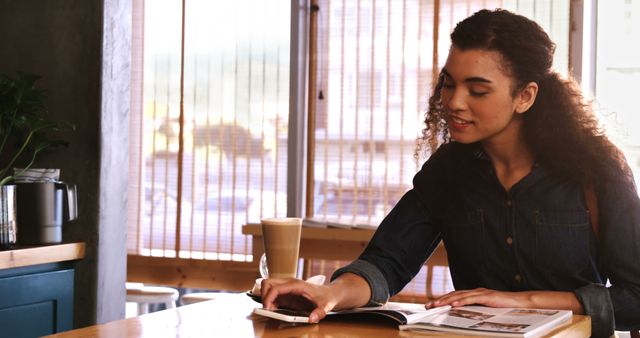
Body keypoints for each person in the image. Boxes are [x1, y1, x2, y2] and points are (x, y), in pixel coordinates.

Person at [260, 8, 640, 337]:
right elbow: (386, 261)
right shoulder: (448, 172)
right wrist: (331, 294)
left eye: (478, 90)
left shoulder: (596, 170)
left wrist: (527, 301)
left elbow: (636, 298)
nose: (454, 102)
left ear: (525, 96)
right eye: (449, 83)